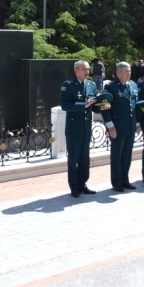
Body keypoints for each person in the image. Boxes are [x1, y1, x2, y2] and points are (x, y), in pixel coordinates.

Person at [60, 60, 105, 198]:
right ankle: (74, 187)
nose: (87, 71)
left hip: (86, 127)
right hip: (74, 128)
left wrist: (102, 106)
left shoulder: (91, 85)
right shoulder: (68, 85)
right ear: (76, 70)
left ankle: (83, 184)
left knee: (85, 158)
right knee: (73, 159)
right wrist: (83, 105)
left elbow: (94, 104)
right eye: (84, 69)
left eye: (88, 69)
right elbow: (65, 105)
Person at [101, 62, 140, 192]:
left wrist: (138, 123)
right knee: (117, 156)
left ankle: (125, 179)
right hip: (117, 127)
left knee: (127, 155)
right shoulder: (111, 87)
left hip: (130, 126)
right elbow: (105, 109)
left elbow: (135, 106)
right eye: (126, 71)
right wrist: (110, 126)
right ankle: (116, 182)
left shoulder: (133, 85)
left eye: (130, 71)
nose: (129, 73)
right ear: (118, 73)